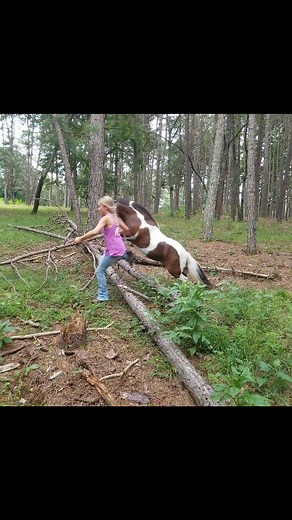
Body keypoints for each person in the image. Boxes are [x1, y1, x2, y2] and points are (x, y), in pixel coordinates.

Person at [74, 196, 130, 303]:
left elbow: (95, 231)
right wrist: (116, 232)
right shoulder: (115, 217)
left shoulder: (105, 218)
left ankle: (102, 296)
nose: (98, 209)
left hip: (114, 250)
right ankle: (126, 256)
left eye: (99, 207)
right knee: (110, 258)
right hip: (119, 248)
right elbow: (126, 229)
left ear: (105, 207)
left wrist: (80, 238)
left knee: (100, 270)